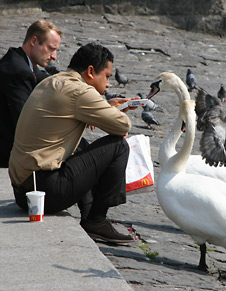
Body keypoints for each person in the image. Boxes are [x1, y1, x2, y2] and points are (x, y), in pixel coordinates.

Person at [9, 43, 140, 243]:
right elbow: (122, 126)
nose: (109, 84)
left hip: (24, 192)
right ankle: (96, 220)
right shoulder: (80, 92)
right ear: (90, 71)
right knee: (117, 146)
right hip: (46, 192)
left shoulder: (52, 81)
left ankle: (88, 213)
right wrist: (110, 111)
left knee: (83, 146)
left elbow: (67, 111)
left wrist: (104, 106)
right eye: (106, 76)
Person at [0, 20, 62, 167]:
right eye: (51, 49)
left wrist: (95, 98)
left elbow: (54, 83)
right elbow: (26, 123)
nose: (54, 56)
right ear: (34, 41)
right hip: (8, 155)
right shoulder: (17, 70)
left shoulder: (24, 63)